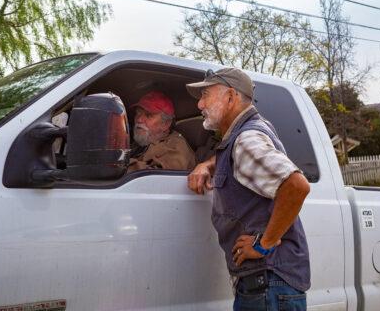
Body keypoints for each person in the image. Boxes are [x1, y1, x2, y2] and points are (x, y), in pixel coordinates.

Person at [185, 68, 311, 311]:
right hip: (270, 286)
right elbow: (244, 154)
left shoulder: (246, 139)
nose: (200, 104)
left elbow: (296, 186)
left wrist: (264, 243)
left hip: (267, 286)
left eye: (206, 95)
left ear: (231, 97)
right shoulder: (251, 132)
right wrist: (209, 163)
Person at [127, 91, 196, 172]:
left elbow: (156, 179)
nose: (139, 119)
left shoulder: (175, 145)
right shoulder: (139, 144)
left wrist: (120, 165)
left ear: (166, 124)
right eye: (138, 113)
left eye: (148, 115)